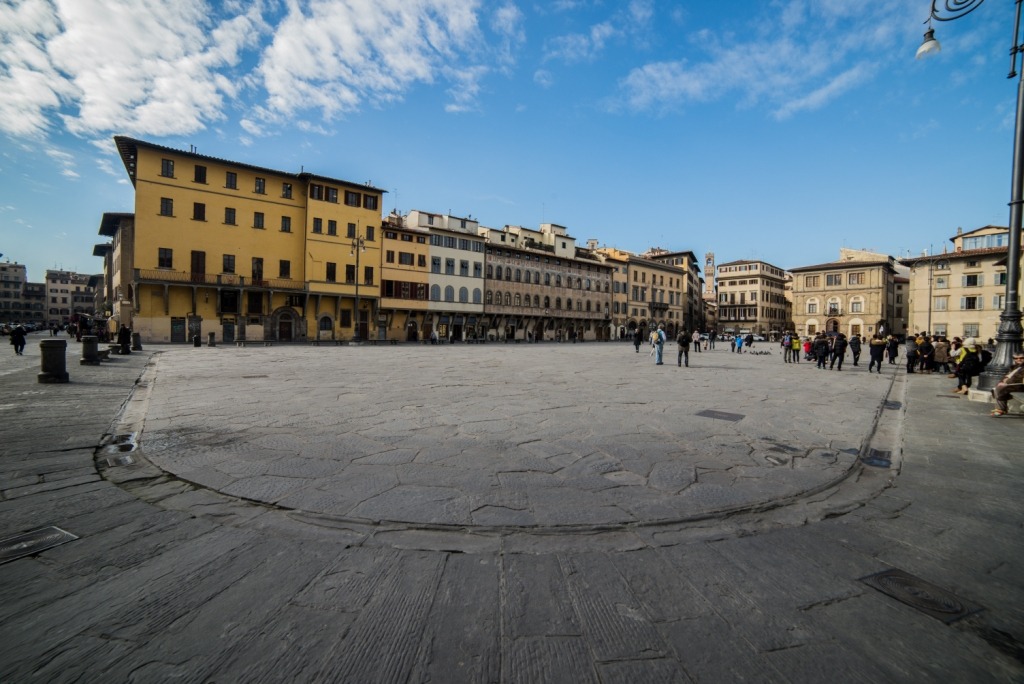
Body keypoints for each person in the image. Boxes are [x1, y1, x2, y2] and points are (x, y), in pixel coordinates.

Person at [991, 352, 1024, 416]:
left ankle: (1001, 409)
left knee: (1000, 389)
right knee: (996, 388)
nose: (1018, 359)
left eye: (1021, 358)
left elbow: (1018, 378)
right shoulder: (1014, 367)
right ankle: (1000, 408)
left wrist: (1006, 383)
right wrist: (1002, 381)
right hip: (1013, 384)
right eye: (1016, 358)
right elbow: (1007, 376)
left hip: (1020, 385)